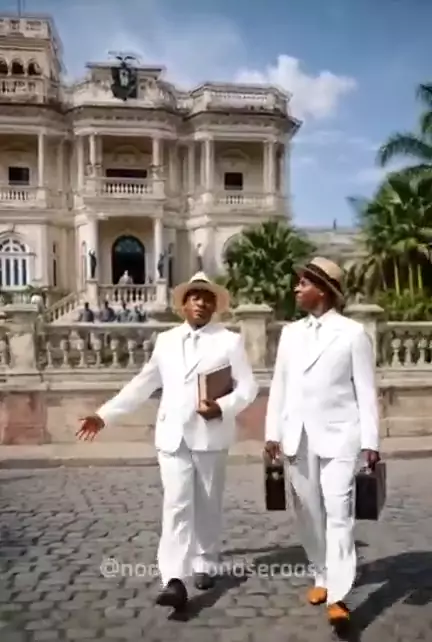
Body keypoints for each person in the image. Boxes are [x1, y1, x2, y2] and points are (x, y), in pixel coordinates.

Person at [76, 271, 258, 611]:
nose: (201, 303)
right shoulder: (166, 341)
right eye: (194, 297)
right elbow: (142, 384)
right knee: (176, 505)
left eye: (207, 298)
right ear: (183, 305)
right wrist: (104, 415)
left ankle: (205, 561)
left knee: (207, 502)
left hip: (210, 434)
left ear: (215, 306)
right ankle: (173, 579)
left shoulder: (229, 341)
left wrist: (222, 406)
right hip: (172, 436)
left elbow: (248, 387)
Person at [264, 256, 380, 629]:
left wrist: (371, 441)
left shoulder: (352, 334)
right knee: (309, 513)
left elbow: (366, 391)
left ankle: (339, 595)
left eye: (303, 283)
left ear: (323, 290)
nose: (296, 288)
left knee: (339, 514)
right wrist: (271, 432)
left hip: (341, 436)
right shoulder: (290, 333)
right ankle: (321, 573)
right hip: (296, 436)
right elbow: (279, 385)